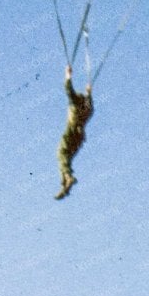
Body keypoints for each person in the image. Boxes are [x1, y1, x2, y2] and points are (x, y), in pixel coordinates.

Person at [54, 66, 94, 200]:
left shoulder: (76, 101)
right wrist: (89, 94)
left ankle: (68, 177)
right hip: (80, 136)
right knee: (66, 158)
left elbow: (68, 89)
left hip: (71, 131)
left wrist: (68, 75)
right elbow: (90, 106)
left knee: (61, 153)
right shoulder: (87, 109)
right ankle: (66, 183)